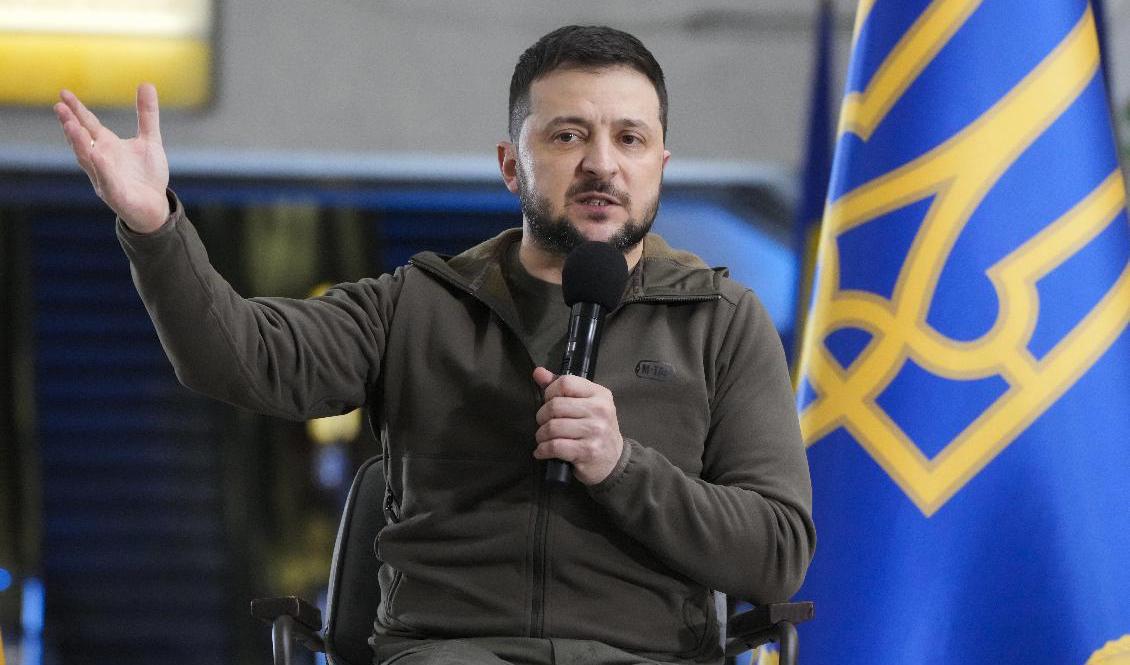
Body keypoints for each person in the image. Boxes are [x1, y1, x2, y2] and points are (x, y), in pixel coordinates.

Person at [54, 25, 814, 665]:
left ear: (660, 167)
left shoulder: (722, 319)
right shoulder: (416, 304)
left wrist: (622, 465)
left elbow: (776, 550)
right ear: (512, 164)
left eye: (630, 138)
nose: (602, 164)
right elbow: (242, 356)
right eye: (568, 134)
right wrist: (155, 229)